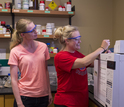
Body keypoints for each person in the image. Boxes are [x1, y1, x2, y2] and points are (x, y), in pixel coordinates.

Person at [53, 25, 110, 107]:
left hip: (81, 101)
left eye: (80, 38)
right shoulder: (60, 56)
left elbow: (92, 63)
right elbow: (84, 62)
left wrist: (104, 56)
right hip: (67, 103)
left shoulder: (77, 54)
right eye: (76, 39)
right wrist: (101, 48)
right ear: (67, 41)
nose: (80, 41)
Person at [8, 19, 52, 107]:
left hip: (43, 96)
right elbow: (14, 79)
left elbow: (45, 71)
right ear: (22, 35)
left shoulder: (43, 47)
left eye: (35, 28)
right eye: (32, 31)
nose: (36, 31)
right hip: (25, 97)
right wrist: (19, 103)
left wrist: (49, 92)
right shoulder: (15, 51)